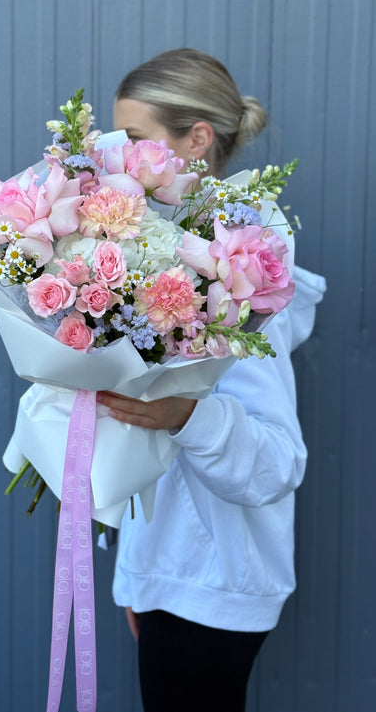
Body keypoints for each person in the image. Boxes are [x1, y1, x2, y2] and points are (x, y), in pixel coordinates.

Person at [96, 49, 326, 712]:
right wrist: (141, 574)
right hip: (172, 573)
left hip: (215, 581)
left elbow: (278, 460)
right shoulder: (161, 246)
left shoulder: (243, 277)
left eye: (136, 140)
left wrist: (184, 416)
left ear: (196, 138)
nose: (119, 159)